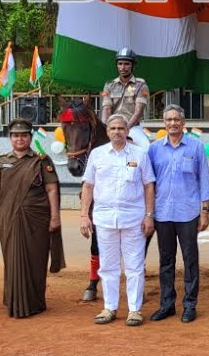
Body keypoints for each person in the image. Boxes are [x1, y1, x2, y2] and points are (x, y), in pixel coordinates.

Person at [81, 114, 156, 327]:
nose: (117, 132)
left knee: (134, 266)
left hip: (133, 219)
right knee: (108, 266)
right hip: (105, 219)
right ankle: (110, 307)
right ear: (107, 132)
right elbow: (88, 185)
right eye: (113, 128)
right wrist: (84, 215)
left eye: (121, 128)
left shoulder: (140, 154)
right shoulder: (97, 154)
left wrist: (149, 216)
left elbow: (148, 186)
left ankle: (134, 309)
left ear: (127, 131)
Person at [0, 118, 64, 318]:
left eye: (23, 135)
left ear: (30, 137)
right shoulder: (1, 162)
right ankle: (14, 301)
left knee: (37, 260)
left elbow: (51, 189)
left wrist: (55, 217)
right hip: (8, 218)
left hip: (37, 219)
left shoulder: (41, 160)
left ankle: (35, 302)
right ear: (10, 138)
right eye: (15, 135)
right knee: (12, 260)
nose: (19, 139)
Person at [147, 104, 209, 323]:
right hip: (162, 213)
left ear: (183, 123)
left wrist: (205, 211)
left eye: (177, 119)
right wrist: (148, 213)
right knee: (166, 261)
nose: (173, 123)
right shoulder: (154, 149)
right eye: (169, 120)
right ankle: (167, 305)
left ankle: (190, 305)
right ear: (164, 123)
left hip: (188, 212)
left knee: (190, 260)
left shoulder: (196, 147)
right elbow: (148, 183)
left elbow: (204, 180)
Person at [101, 47, 151, 149]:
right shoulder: (109, 85)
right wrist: (105, 127)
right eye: (120, 64)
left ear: (133, 66)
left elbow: (138, 112)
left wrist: (125, 128)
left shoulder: (141, 85)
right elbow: (107, 109)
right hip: (113, 127)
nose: (123, 67)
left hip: (132, 128)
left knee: (146, 147)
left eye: (127, 64)